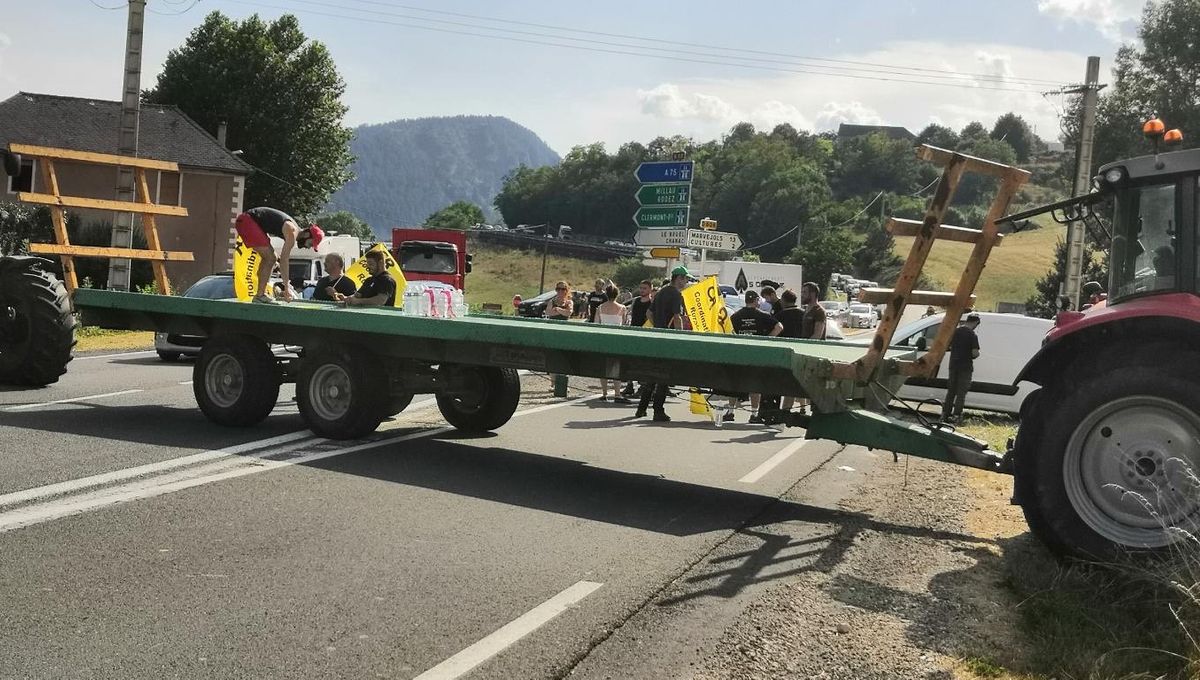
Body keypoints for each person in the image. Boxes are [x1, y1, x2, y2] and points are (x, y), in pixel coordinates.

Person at [234, 206, 324, 303]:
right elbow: (284, 261)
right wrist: (286, 288)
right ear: (307, 234)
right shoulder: (292, 231)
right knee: (270, 258)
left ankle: (261, 293)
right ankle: (260, 295)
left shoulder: (294, 228)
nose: (307, 247)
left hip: (249, 221)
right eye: (310, 244)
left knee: (273, 257)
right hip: (248, 221)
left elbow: (281, 259)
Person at [636, 266, 689, 422]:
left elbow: (649, 313)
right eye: (685, 279)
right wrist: (679, 336)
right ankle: (658, 410)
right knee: (664, 376)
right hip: (668, 340)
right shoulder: (676, 294)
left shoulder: (660, 292)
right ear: (679, 278)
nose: (686, 282)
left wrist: (658, 326)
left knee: (652, 374)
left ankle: (641, 408)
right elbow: (677, 317)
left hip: (657, 337)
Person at [731, 290, 784, 424]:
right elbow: (779, 327)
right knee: (755, 384)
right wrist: (767, 340)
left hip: (739, 353)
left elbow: (728, 331)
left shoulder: (736, 316)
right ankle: (754, 414)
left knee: (733, 383)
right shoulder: (762, 315)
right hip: (756, 353)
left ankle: (730, 412)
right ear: (755, 300)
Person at [942, 313, 981, 423]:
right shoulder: (972, 335)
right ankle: (956, 416)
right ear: (975, 322)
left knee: (951, 392)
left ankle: (945, 415)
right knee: (961, 393)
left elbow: (948, 346)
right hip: (965, 367)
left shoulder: (955, 331)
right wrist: (977, 354)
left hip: (953, 365)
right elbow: (975, 353)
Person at [595, 285, 631, 404]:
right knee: (616, 367)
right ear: (617, 294)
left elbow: (596, 324)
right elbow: (625, 324)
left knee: (603, 367)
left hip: (603, 339)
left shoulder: (600, 308)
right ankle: (617, 393)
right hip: (617, 339)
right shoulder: (622, 308)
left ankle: (604, 393)